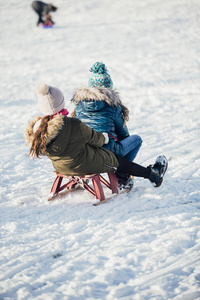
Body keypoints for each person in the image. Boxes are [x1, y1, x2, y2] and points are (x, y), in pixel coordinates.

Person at [25, 83, 168, 190]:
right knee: (115, 159)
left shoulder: (38, 130)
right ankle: (152, 175)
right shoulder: (72, 124)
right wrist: (105, 137)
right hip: (85, 164)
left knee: (105, 155)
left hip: (61, 167)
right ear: (61, 102)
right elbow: (97, 139)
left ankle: (140, 175)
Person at [71, 62, 142, 188]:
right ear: (109, 88)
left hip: (85, 150)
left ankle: (84, 176)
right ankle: (122, 176)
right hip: (106, 151)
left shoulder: (79, 105)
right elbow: (123, 134)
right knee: (136, 140)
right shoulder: (113, 106)